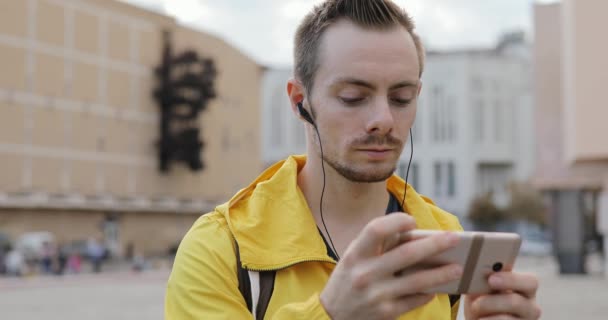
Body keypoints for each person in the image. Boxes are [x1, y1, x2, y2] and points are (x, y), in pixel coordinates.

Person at [165, 1, 541, 319]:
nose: (383, 119)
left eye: (401, 98)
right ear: (299, 100)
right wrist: (330, 313)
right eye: (352, 97)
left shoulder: (446, 240)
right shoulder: (220, 250)